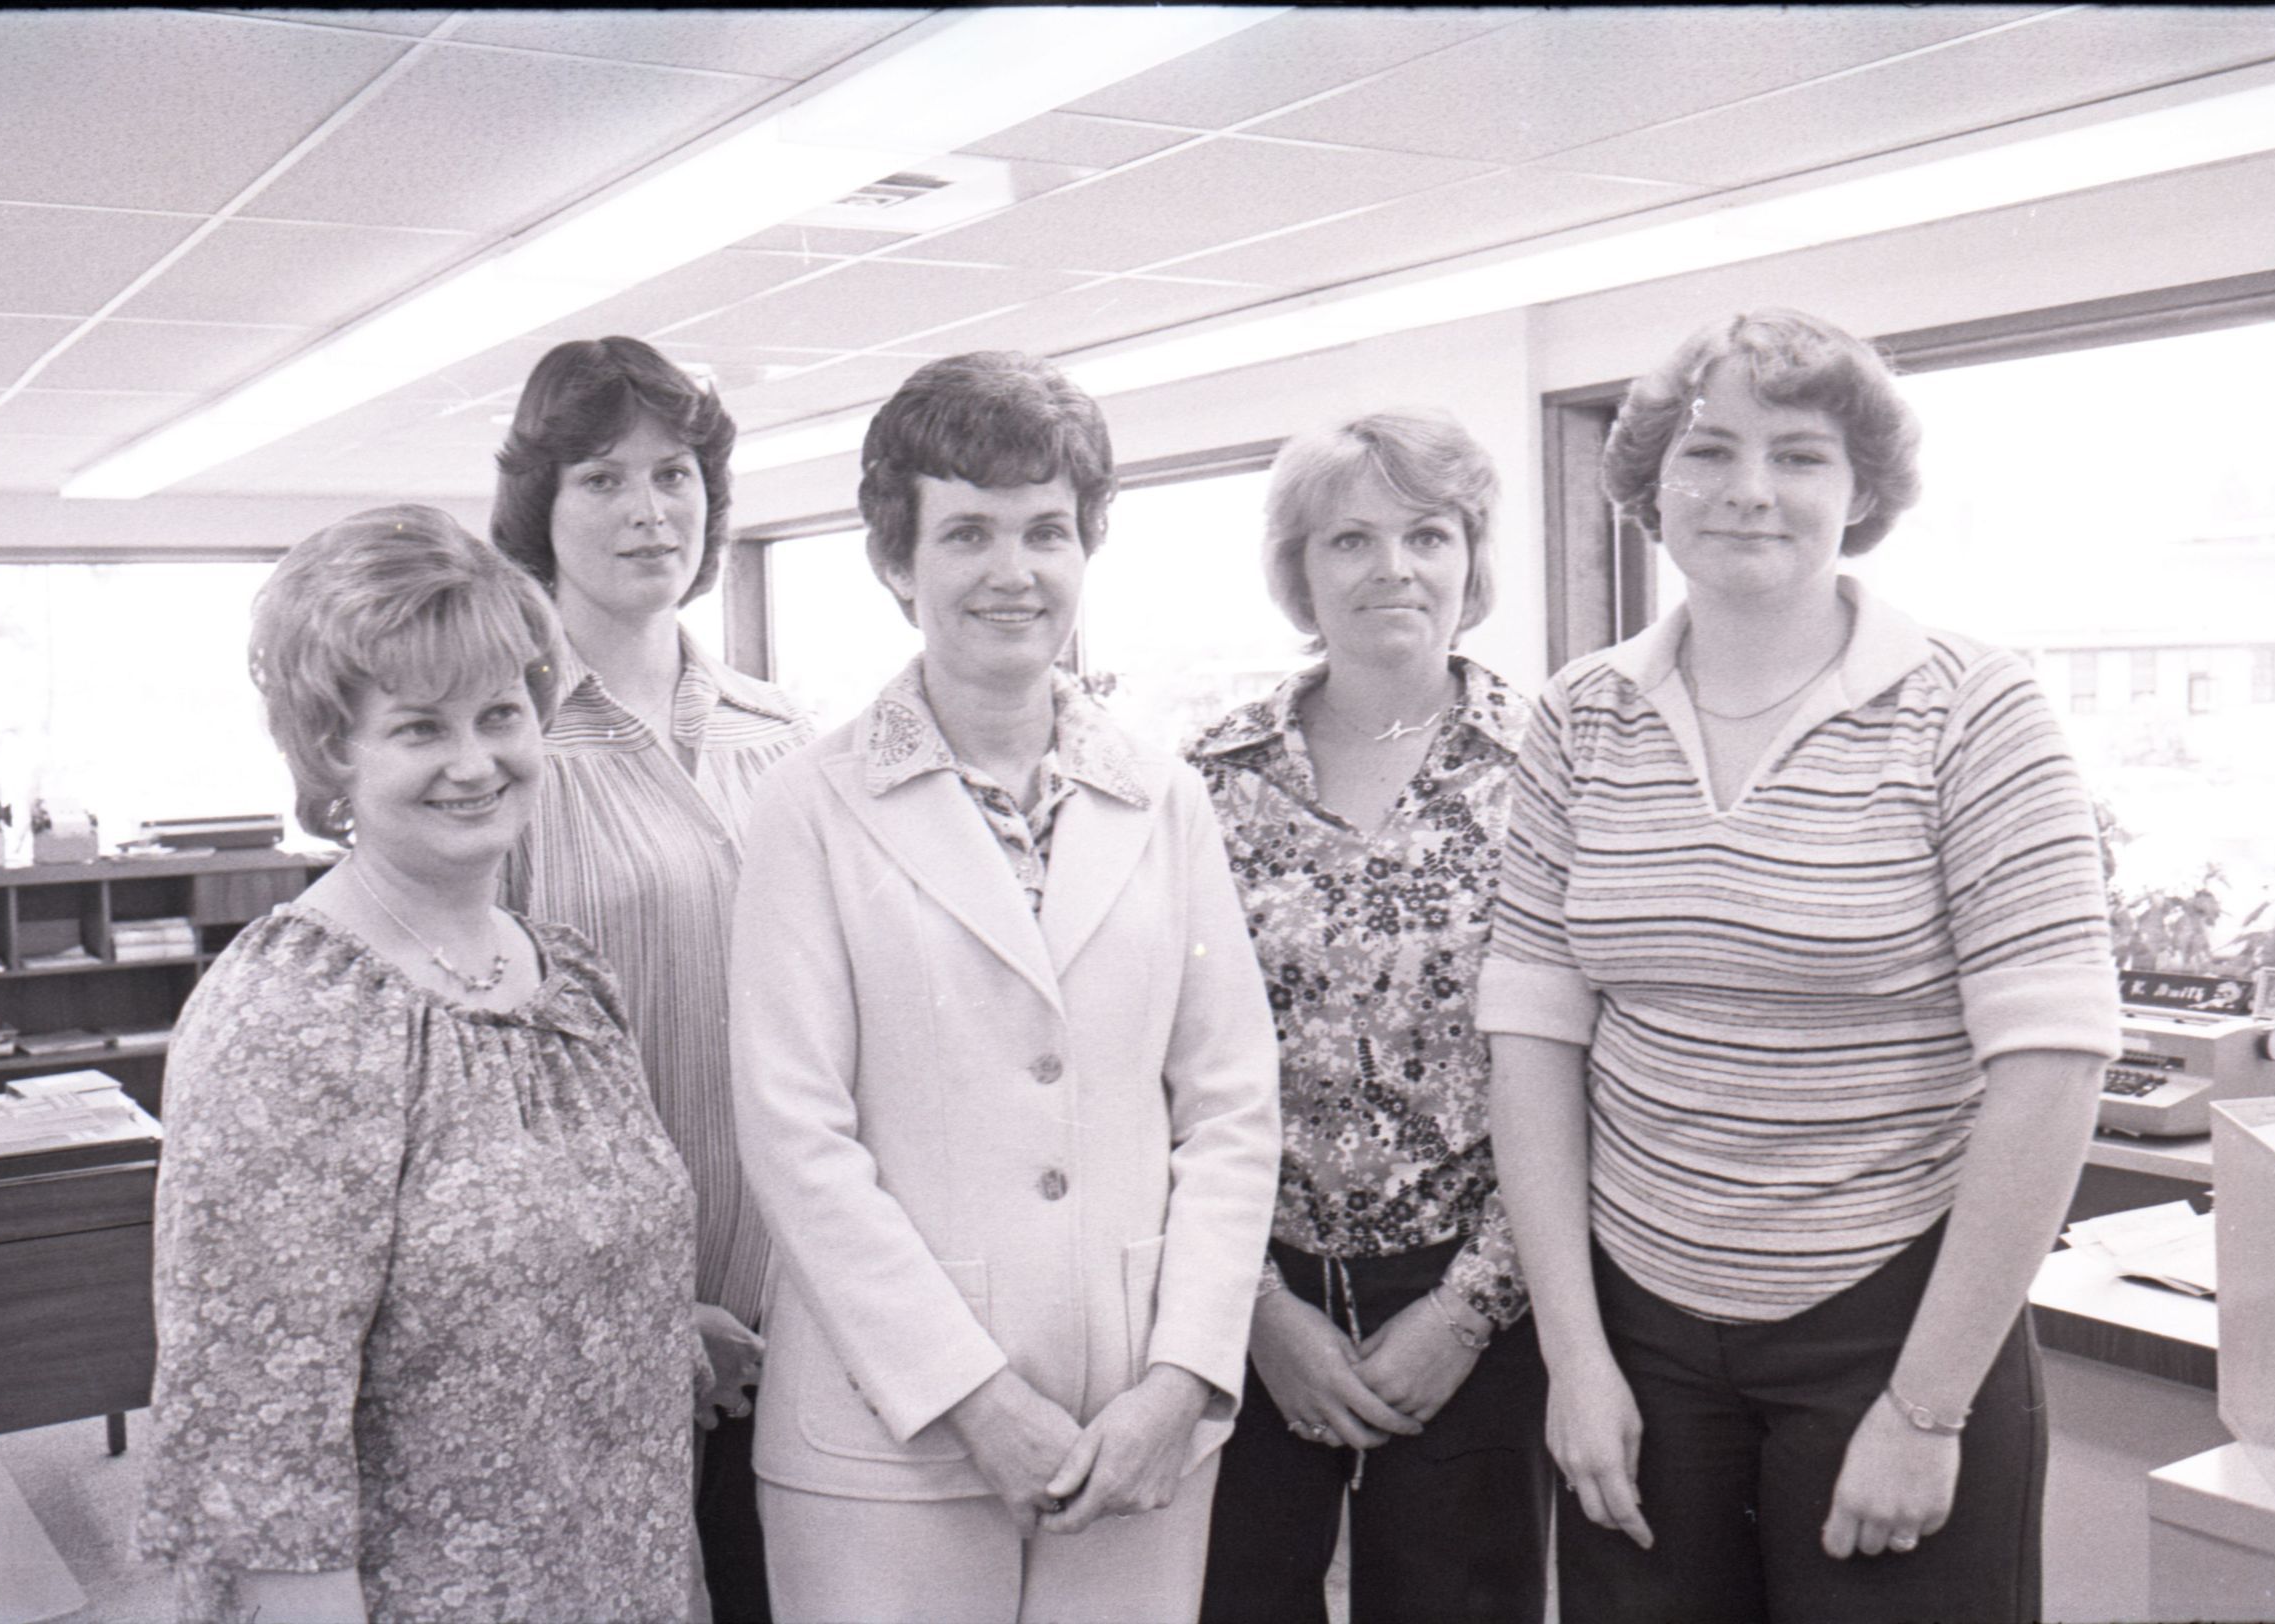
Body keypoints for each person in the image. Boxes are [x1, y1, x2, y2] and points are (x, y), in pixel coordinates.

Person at [1481, 310, 2120, 1623]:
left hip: (1893, 1320)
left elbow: (2053, 1066)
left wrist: (1926, 1407)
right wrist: (1575, 1355)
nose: (1750, 488)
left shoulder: (1973, 707)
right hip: (1639, 1324)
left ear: (1863, 488)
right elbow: (1534, 1043)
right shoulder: (1581, 716)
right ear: (1654, 480)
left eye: (1800, 454)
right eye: (1709, 449)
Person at [727, 350, 1282, 1624]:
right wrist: (972, 1396)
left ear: (1087, 545)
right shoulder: (809, 806)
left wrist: (1184, 1376)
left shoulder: (1165, 797)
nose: (1012, 570)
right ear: (895, 558)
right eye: (967, 532)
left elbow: (1232, 1107)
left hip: (1131, 1422)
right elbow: (797, 1137)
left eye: (1045, 530)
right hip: (888, 1430)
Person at [136, 505, 701, 1623]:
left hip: (618, 1577)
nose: (474, 762)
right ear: (332, 753)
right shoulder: (288, 1018)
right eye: (418, 728)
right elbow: (258, 1447)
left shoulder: (567, 981)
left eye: (500, 713)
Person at [1187, 409, 1551, 1624]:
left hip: (1482, 1293)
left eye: (1427, 534)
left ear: (1471, 557)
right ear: (1299, 568)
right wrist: (1256, 1314)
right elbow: (1159, 1061)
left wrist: (1467, 1312)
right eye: (1350, 538)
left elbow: (1589, 1071)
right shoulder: (1209, 782)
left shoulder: (1551, 770)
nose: (1393, 567)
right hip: (1251, 1289)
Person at [494, 335, 811, 1623]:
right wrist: (646, 1306)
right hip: (595, 1322)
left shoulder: (784, 732)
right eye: (603, 478)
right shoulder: (504, 748)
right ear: (542, 506)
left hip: (801, 1304)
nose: (649, 510)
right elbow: (489, 1082)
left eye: (675, 474)